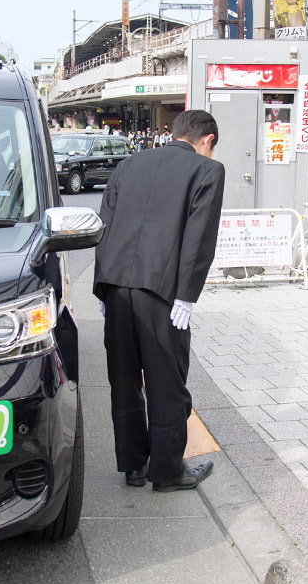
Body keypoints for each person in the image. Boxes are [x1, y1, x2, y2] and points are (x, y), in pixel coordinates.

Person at [93, 109, 225, 492]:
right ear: (207, 140)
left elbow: (106, 224)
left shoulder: (129, 164)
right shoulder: (206, 171)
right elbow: (199, 236)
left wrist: (102, 286)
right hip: (163, 293)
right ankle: (167, 471)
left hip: (116, 285)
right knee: (166, 380)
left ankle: (133, 465)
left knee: (124, 376)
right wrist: (187, 295)